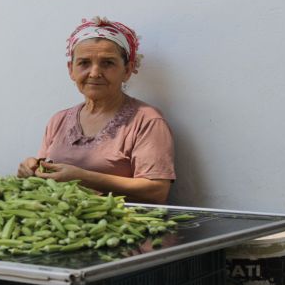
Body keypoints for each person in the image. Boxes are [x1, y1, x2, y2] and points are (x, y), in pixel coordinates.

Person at [17, 17, 175, 204]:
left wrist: (84, 177)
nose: (94, 73)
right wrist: (31, 169)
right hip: (60, 223)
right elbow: (44, 175)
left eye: (107, 63)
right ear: (71, 70)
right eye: (84, 63)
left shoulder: (146, 120)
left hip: (120, 226)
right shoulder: (58, 121)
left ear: (127, 69)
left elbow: (157, 190)